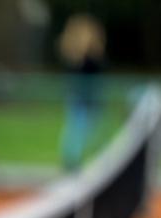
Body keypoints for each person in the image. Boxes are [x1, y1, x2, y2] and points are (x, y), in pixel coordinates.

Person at [58, 14, 105, 172]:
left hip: (92, 99)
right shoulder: (77, 58)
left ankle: (90, 160)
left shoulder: (94, 57)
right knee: (77, 130)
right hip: (80, 99)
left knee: (91, 132)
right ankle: (72, 162)